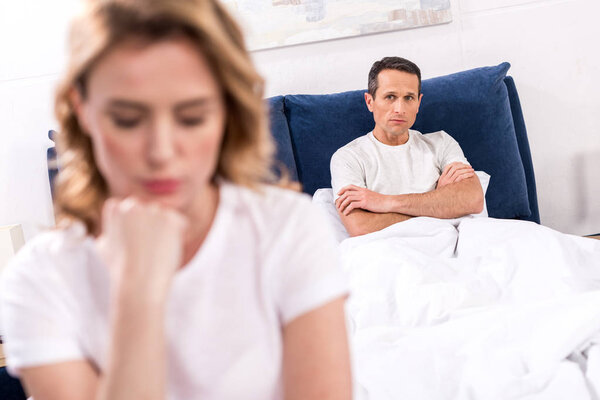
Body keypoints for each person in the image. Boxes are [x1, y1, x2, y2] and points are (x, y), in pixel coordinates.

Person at [0, 1, 352, 399]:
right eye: (128, 119)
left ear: (226, 113)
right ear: (83, 110)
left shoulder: (286, 227)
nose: (162, 152)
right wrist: (139, 295)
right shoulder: (41, 278)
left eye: (192, 118)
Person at [330, 56, 484, 237]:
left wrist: (385, 203)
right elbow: (360, 227)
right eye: (390, 97)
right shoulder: (348, 158)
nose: (399, 109)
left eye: (409, 98)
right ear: (369, 101)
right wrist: (438, 201)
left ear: (418, 102)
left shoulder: (442, 143)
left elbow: (473, 199)